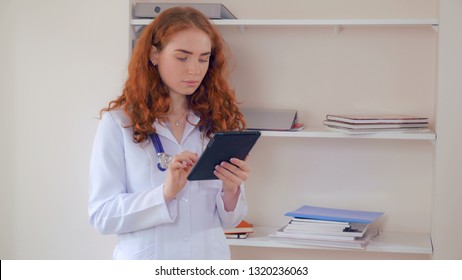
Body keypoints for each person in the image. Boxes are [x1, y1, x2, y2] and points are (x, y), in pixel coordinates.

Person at [88, 6, 249, 260]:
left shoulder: (216, 122)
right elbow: (102, 216)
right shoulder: (118, 123)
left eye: (203, 58)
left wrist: (232, 190)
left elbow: (232, 220)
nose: (194, 70)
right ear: (154, 55)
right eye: (182, 57)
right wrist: (165, 194)